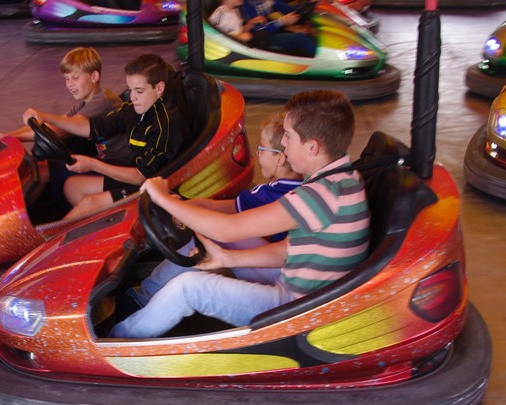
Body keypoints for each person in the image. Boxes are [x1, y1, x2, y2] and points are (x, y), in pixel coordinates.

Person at [109, 90, 369, 339]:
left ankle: (114, 344)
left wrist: (162, 198)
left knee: (189, 288)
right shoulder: (343, 178)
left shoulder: (320, 196)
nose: (284, 145)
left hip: (298, 309)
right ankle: (143, 298)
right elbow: (287, 249)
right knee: (206, 235)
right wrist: (227, 257)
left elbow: (226, 230)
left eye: (288, 136)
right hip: (295, 280)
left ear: (312, 147)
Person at [125, 112, 302, 309]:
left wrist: (168, 202)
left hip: (278, 274)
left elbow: (222, 225)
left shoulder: (271, 194)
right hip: (280, 265)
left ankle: (144, 295)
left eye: (261, 148)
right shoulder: (293, 187)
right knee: (204, 234)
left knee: (203, 235)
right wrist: (178, 206)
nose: (257, 153)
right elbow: (213, 207)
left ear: (280, 158)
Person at [22, 54, 187, 220]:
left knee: (89, 203)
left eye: (139, 91)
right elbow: (94, 127)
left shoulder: (165, 124)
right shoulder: (135, 109)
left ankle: (66, 234)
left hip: (151, 185)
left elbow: (140, 176)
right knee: (71, 187)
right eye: (130, 90)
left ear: (159, 88)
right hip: (132, 169)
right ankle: (96, 224)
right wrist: (46, 117)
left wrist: (93, 164)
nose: (132, 97)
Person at [0, 47, 122, 154]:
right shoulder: (85, 103)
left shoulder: (102, 101)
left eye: (75, 77)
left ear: (94, 76)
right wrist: (6, 137)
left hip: (115, 162)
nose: (70, 84)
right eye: (66, 78)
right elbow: (54, 124)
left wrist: (10, 140)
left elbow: (61, 129)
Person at [238, 0, 317, 58]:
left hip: (270, 31)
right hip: (258, 39)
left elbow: (287, 9)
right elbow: (257, 31)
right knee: (302, 39)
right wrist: (282, 21)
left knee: (306, 35)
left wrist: (310, 3)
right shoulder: (245, 5)